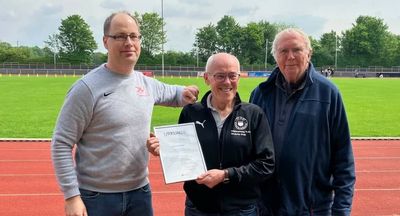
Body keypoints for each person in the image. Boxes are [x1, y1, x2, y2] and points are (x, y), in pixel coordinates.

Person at [51, 11, 199, 216]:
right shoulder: (86, 89)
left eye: (133, 36)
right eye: (120, 36)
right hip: (97, 198)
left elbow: (175, 94)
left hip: (140, 194)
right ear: (105, 41)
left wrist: (187, 92)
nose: (129, 42)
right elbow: (61, 143)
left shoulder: (146, 83)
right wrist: (71, 197)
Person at [147, 53, 275, 215]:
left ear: (239, 77)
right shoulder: (191, 113)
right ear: (207, 78)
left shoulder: (254, 114)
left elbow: (266, 164)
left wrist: (226, 175)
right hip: (199, 208)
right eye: (220, 76)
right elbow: (182, 155)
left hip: (242, 209)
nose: (227, 82)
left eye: (232, 75)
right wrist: (164, 149)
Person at [250, 28, 356, 215]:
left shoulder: (328, 93)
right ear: (276, 57)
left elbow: (343, 158)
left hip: (312, 208)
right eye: (283, 51)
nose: (290, 57)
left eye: (297, 50)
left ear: (309, 53)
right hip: (267, 207)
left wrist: (341, 210)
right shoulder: (260, 94)